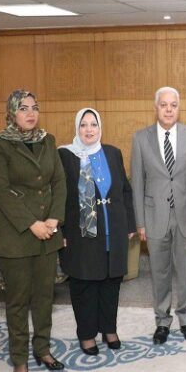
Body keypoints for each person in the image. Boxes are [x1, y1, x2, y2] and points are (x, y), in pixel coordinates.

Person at [0, 90, 67, 372]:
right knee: (17, 302)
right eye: (23, 108)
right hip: (17, 235)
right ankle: (20, 360)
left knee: (44, 297)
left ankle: (43, 350)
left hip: (48, 233)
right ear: (11, 113)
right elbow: (0, 191)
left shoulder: (47, 140)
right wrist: (32, 224)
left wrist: (53, 219)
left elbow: (59, 181)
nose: (30, 113)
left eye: (34, 107)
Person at [131, 87, 186, 344]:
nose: (168, 109)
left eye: (173, 105)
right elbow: (137, 183)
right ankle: (162, 321)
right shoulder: (141, 139)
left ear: (178, 108)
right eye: (163, 105)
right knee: (159, 271)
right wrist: (140, 222)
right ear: (156, 108)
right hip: (154, 216)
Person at [58, 108, 136, 355]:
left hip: (114, 230)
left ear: (100, 128)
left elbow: (125, 191)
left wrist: (130, 224)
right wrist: (60, 230)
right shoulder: (65, 155)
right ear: (77, 128)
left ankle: (109, 329)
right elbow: (58, 196)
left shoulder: (112, 153)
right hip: (81, 233)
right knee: (85, 285)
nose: (89, 129)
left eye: (93, 124)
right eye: (84, 125)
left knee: (111, 282)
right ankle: (87, 334)